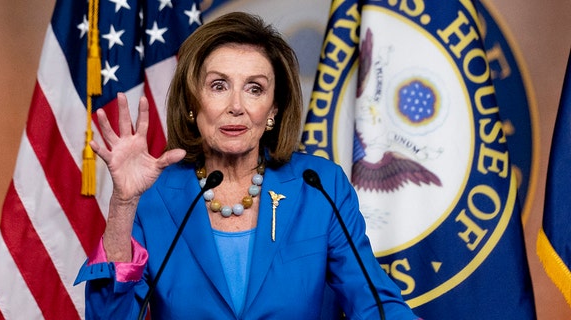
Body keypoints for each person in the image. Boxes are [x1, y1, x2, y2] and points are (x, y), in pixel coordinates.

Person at [75, 11, 418, 320]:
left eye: (254, 89)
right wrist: (123, 204)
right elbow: (109, 317)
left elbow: (374, 302)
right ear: (192, 103)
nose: (236, 106)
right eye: (219, 85)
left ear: (273, 110)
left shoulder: (320, 187)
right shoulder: (153, 195)